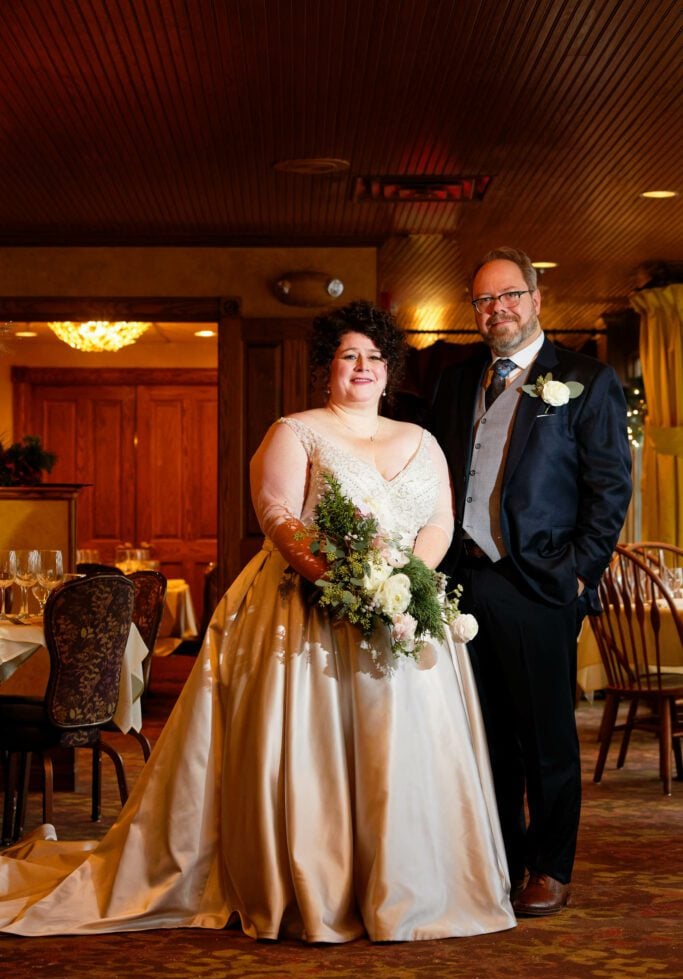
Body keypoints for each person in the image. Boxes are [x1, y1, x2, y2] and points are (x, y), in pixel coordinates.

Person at [0, 300, 515, 942]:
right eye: (348, 356)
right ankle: (315, 887)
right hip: (307, 614)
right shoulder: (295, 430)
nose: (362, 367)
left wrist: (406, 583)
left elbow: (440, 520)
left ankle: (404, 885)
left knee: (403, 750)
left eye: (374, 357)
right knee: (315, 753)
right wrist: (347, 583)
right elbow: (279, 518)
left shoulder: (421, 440)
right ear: (327, 368)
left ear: (390, 371)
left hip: (405, 615)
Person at [431, 248, 632, 916]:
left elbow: (608, 490)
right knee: (485, 735)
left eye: (509, 295)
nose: (498, 310)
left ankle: (548, 866)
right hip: (464, 581)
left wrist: (578, 574)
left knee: (545, 736)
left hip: (542, 584)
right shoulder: (459, 381)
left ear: (536, 298)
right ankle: (501, 857)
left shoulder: (583, 379)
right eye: (484, 301)